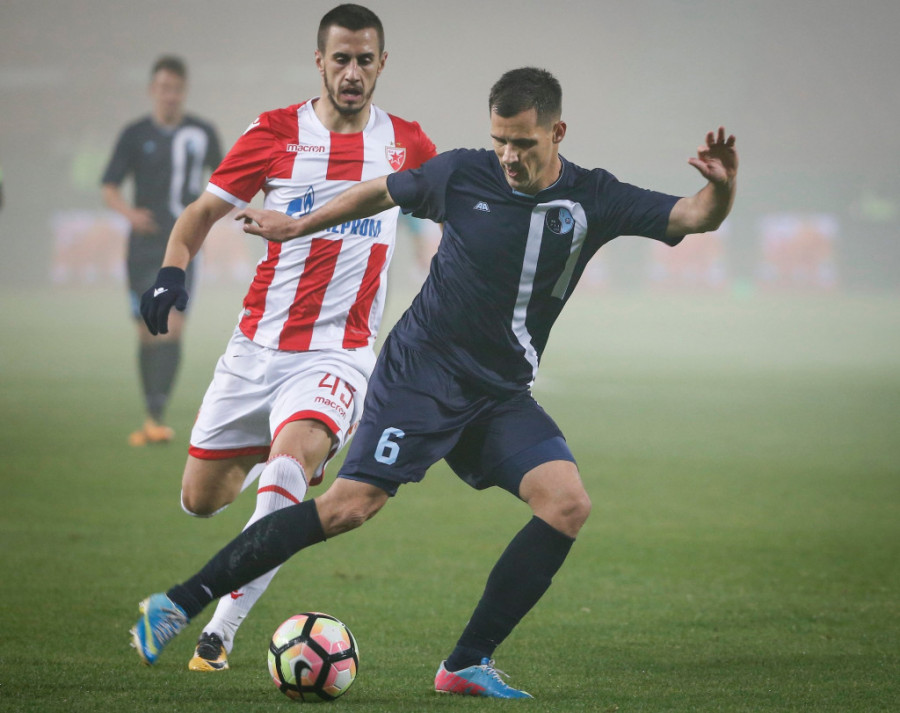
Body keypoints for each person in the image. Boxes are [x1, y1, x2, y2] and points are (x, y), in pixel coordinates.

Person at [131, 67, 738, 698]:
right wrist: (297, 225)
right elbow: (379, 192)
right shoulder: (462, 173)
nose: (509, 156)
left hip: (499, 393)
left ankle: (465, 664)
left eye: (523, 143)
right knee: (347, 508)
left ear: (557, 133)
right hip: (420, 375)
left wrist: (721, 189)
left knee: (566, 504)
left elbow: (694, 215)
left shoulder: (595, 197)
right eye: (500, 140)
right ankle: (177, 604)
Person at [136, 4, 436, 672]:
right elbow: (200, 213)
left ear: (382, 64)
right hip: (256, 349)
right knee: (200, 501)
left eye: (365, 60)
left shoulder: (407, 144)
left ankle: (217, 632)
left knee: (287, 472)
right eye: (341, 59)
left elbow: (452, 212)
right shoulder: (275, 133)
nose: (352, 73)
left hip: (339, 354)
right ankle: (265, 463)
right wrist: (171, 271)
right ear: (320, 61)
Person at [102, 56, 222, 446]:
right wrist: (130, 214)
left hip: (184, 244)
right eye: (164, 88)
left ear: (184, 91)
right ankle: (151, 412)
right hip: (144, 247)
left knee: (172, 324)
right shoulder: (135, 134)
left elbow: (226, 178)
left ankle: (156, 414)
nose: (170, 95)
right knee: (147, 330)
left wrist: (209, 215)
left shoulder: (202, 132)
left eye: (176, 89)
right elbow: (109, 185)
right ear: (153, 90)